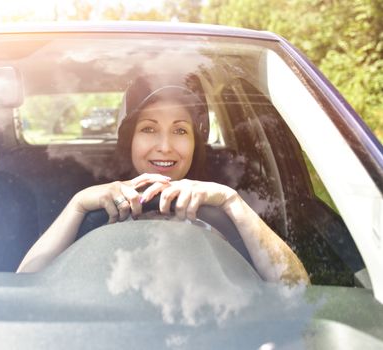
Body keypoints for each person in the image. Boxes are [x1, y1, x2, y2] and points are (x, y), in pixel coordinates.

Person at [17, 74, 310, 285]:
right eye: (149, 128)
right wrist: (79, 205)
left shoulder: (224, 206)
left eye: (181, 130)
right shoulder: (97, 205)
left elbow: (297, 289)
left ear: (197, 141)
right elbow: (25, 284)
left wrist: (231, 202)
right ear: (129, 139)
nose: (165, 146)